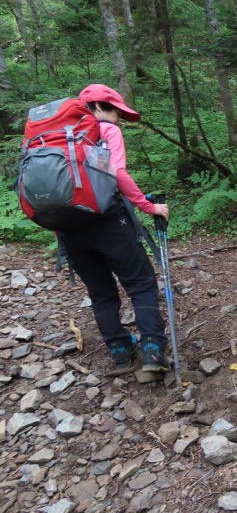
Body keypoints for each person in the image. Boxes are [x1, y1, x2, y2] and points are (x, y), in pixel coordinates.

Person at [59, 84, 171, 372]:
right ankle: (152, 352)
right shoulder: (104, 130)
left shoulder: (58, 136)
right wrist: (149, 207)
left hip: (68, 228)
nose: (118, 117)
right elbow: (118, 173)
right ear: (96, 106)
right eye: (114, 110)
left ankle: (120, 351)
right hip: (108, 221)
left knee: (101, 293)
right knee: (141, 283)